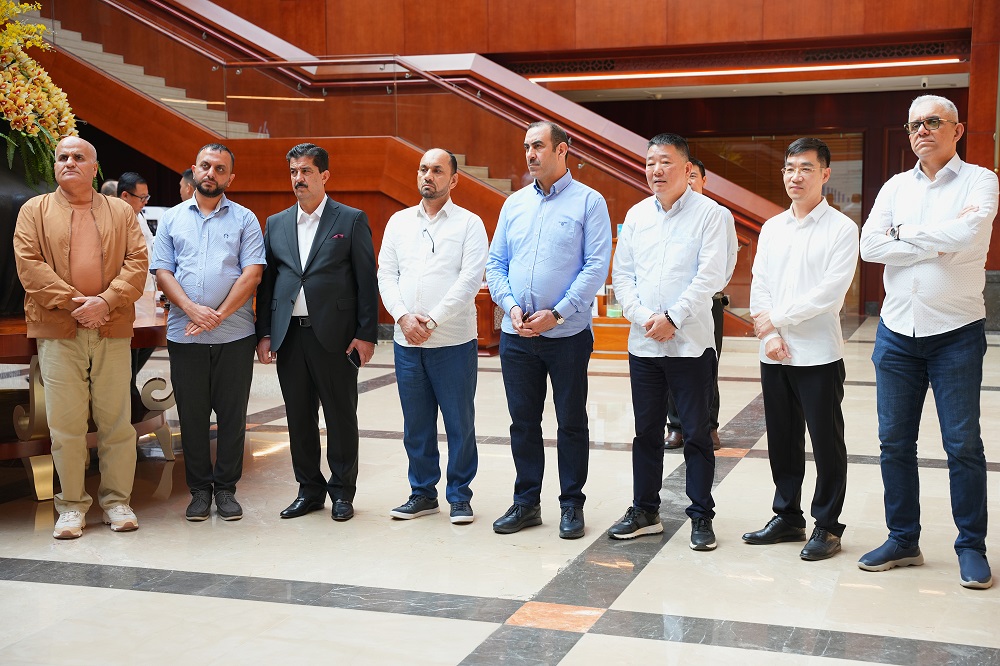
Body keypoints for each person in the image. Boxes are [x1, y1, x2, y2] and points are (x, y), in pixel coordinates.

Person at [859, 94, 998, 589]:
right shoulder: (895, 186)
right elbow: (870, 245)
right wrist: (935, 240)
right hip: (897, 332)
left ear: (957, 130)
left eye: (933, 121)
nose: (922, 130)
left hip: (955, 333)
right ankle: (903, 539)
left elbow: (970, 234)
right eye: (914, 124)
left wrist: (904, 236)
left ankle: (971, 547)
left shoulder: (981, 180)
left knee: (963, 445)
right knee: (894, 442)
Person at [13, 137, 148, 539]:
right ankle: (71, 506)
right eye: (62, 157)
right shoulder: (33, 210)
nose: (69, 162)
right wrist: (77, 304)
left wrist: (104, 301)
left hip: (111, 325)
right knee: (65, 425)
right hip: (58, 329)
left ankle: (117, 502)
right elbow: (29, 265)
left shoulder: (121, 211)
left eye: (78, 157)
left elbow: (138, 262)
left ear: (94, 167)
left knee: (116, 422)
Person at [485, 121, 612, 540]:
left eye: (538, 146)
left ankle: (572, 504)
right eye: (526, 146)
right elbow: (495, 264)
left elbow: (596, 266)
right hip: (517, 334)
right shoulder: (514, 204)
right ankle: (526, 503)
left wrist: (557, 314)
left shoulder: (589, 202)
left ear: (562, 150)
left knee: (571, 422)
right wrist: (510, 307)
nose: (530, 154)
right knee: (523, 422)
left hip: (567, 336)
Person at [607, 133, 727, 550]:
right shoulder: (637, 214)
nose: (656, 170)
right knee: (646, 432)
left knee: (696, 433)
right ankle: (645, 511)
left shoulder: (711, 215)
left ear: (687, 169)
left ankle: (701, 515)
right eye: (650, 163)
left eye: (666, 162)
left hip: (690, 343)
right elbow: (622, 276)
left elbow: (712, 275)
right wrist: (645, 318)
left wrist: (673, 318)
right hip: (644, 345)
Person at [743, 138, 859, 561]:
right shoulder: (773, 227)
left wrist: (777, 320)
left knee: (826, 441)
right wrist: (769, 334)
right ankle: (788, 517)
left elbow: (829, 294)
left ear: (825, 174)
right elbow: (760, 283)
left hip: (818, 353)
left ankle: (827, 525)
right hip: (774, 351)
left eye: (806, 168)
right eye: (790, 168)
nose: (796, 176)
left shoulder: (842, 229)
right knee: (782, 438)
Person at [256, 143, 377, 522]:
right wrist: (265, 333)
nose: (299, 178)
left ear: (324, 175)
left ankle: (342, 492)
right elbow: (267, 284)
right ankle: (309, 490)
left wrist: (366, 334)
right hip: (290, 336)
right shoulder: (276, 223)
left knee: (341, 417)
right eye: (294, 172)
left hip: (336, 337)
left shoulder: (351, 220)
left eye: (306, 171)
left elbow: (366, 280)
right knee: (298, 417)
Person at [152, 143, 265, 522]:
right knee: (192, 416)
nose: (211, 173)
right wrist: (192, 310)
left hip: (234, 335)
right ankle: (200, 490)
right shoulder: (171, 219)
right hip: (185, 335)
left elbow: (252, 274)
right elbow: (163, 271)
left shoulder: (246, 219)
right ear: (194, 169)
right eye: (205, 166)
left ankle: (227, 489)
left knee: (232, 416)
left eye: (220, 169)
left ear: (230, 177)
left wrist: (216, 315)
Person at [378, 148, 488, 524]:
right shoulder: (399, 222)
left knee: (459, 423)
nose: (428, 175)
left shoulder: (469, 223)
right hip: (406, 342)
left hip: (453, 342)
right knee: (416, 425)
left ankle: (459, 496)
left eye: (437, 170)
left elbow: (470, 280)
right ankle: (422, 493)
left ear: (453, 179)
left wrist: (432, 321)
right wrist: (403, 317)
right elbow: (386, 274)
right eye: (423, 169)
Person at [664, 157, 738, 451]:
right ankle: (676, 426)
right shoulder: (668, 213)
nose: (688, 181)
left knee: (707, 365)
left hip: (708, 302)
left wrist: (705, 291)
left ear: (704, 181)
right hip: (670, 304)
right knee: (670, 361)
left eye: (693, 175)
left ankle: (709, 426)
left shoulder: (719, 214)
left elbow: (727, 262)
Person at [117, 172, 156, 411]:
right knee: (129, 349)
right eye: (141, 198)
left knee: (147, 341)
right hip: (126, 297)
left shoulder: (138, 216)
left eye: (146, 197)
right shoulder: (114, 219)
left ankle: (130, 393)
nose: (145, 202)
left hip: (146, 294)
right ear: (125, 195)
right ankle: (130, 400)